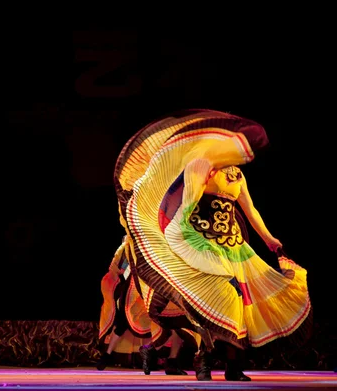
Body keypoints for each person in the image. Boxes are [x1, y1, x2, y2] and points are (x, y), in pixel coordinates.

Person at [113, 109, 312, 381]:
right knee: (221, 299)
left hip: (236, 249)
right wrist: (180, 239)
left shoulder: (237, 176)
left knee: (239, 305)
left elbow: (251, 211)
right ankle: (203, 358)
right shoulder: (199, 165)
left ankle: (231, 366)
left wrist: (270, 241)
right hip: (202, 245)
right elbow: (185, 211)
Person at [97, 235, 193, 375]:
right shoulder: (126, 247)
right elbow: (113, 268)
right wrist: (122, 272)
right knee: (126, 323)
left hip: (148, 288)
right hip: (133, 289)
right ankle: (109, 355)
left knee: (156, 323)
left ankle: (152, 356)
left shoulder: (152, 243)